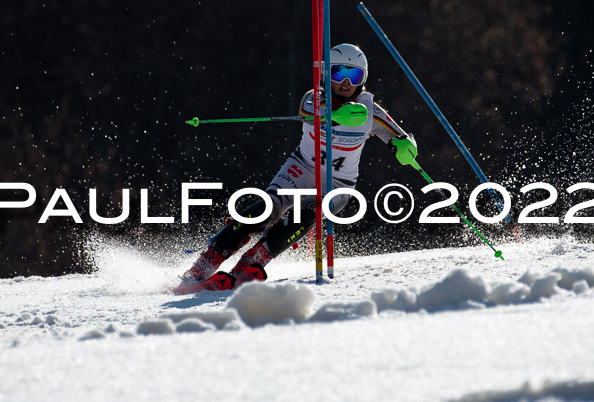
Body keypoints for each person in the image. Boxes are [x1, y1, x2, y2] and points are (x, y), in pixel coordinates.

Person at [173, 43, 417, 295]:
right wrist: (335, 114)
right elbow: (307, 110)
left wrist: (405, 146)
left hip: (339, 184)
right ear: (326, 74)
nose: (346, 81)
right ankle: (206, 262)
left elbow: (397, 136)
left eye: (354, 75)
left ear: (363, 80)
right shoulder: (314, 97)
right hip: (302, 168)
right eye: (338, 72)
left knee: (309, 213)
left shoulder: (370, 111)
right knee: (268, 208)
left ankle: (252, 263)